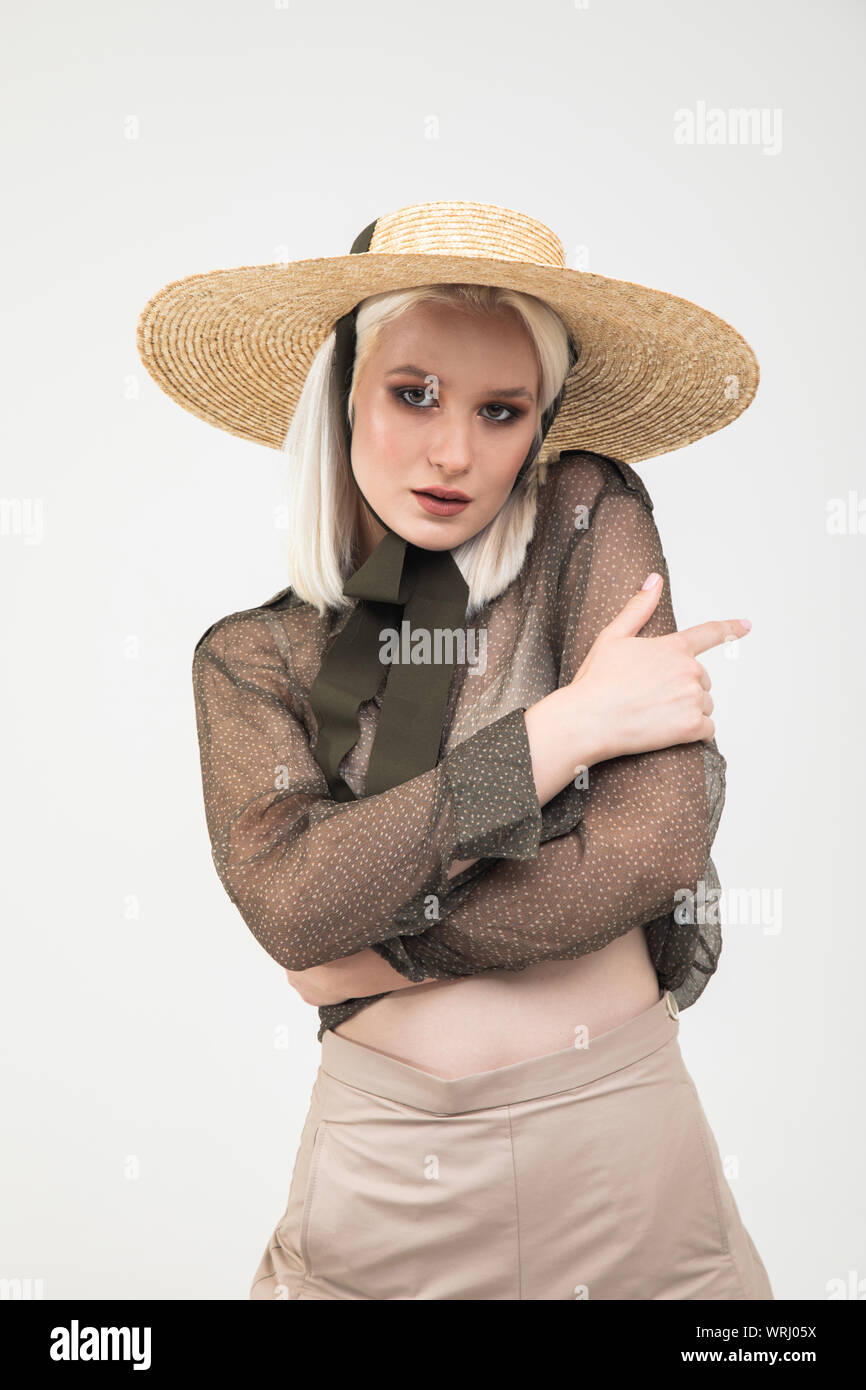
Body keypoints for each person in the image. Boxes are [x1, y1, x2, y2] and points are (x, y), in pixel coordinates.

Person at [138, 199, 774, 1300]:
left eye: (500, 409)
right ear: (342, 391)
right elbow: (292, 907)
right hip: (389, 1174)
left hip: (620, 1155)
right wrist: (560, 729)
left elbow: (653, 847)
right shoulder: (251, 659)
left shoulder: (586, 516)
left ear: (543, 421)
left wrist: (375, 954)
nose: (452, 450)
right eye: (414, 393)